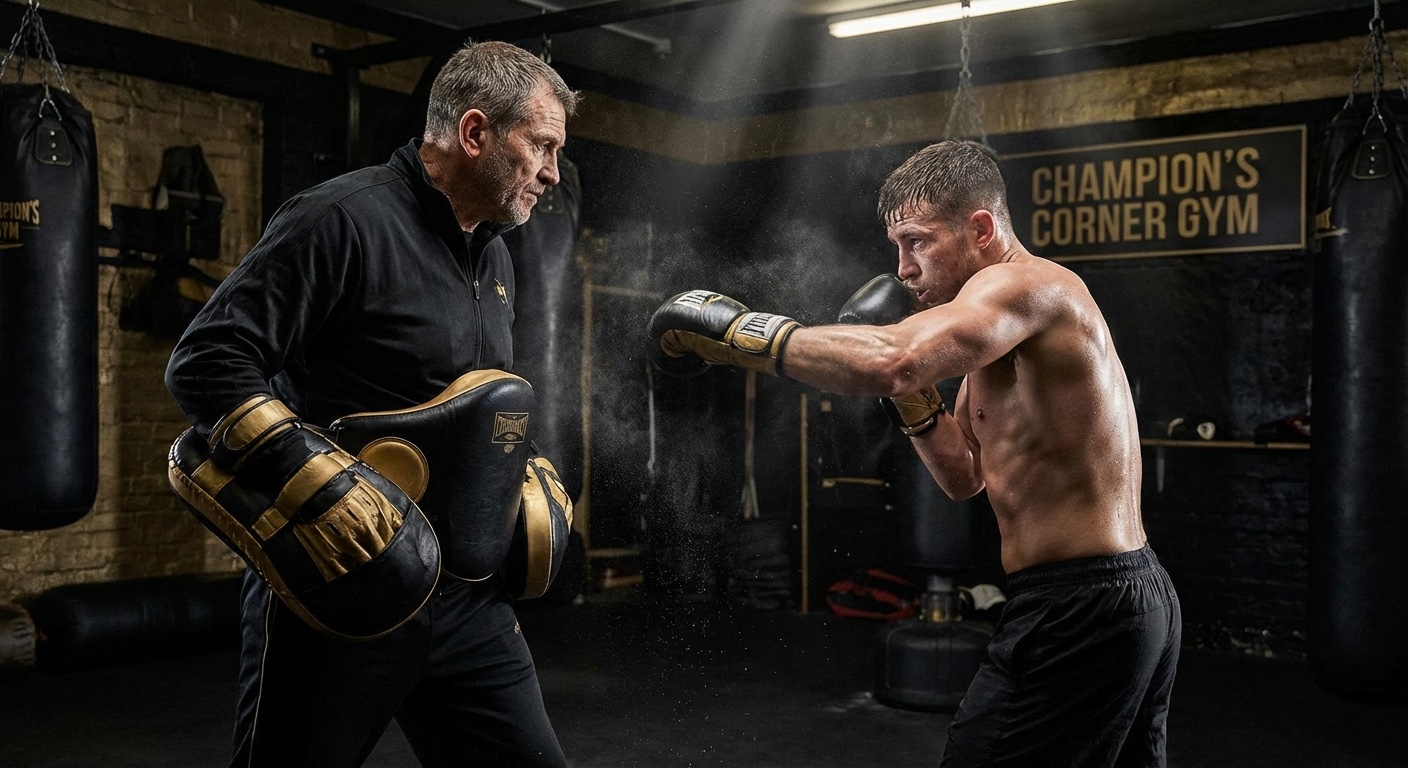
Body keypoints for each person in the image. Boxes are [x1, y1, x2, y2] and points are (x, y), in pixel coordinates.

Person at [646, 139, 1182, 767]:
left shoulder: (1029, 286)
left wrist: (737, 335)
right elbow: (963, 475)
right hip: (1108, 598)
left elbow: (894, 359)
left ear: (980, 228)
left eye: (917, 241)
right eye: (897, 247)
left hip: (1081, 605)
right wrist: (908, 395)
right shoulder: (995, 340)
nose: (903, 269)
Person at [165, 41, 578, 767]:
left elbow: (463, 402)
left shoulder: (496, 254)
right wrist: (316, 476)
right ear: (475, 132)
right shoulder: (340, 219)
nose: (551, 173)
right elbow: (207, 360)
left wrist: (521, 467)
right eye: (541, 146)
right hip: (339, 590)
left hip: (466, 603)